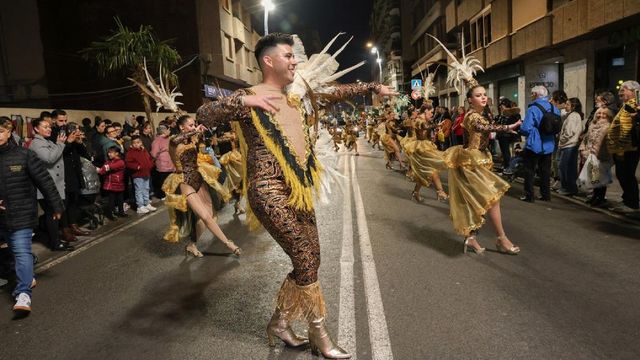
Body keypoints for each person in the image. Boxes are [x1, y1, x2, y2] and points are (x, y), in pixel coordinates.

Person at [196, 32, 396, 359]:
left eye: (294, 56)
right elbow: (203, 116)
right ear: (268, 60)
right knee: (303, 254)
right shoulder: (249, 97)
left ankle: (280, 322)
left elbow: (335, 91)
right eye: (288, 56)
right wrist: (241, 101)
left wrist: (373, 88)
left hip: (298, 188)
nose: (294, 61)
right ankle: (319, 332)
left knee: (311, 259)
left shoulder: (295, 95)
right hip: (268, 189)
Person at [443, 83, 522, 255]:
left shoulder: (481, 113)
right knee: (492, 199)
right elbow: (484, 128)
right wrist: (508, 127)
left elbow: (488, 125)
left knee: (476, 202)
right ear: (470, 100)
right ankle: (502, 238)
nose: (484, 97)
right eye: (478, 95)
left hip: (478, 160)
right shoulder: (472, 116)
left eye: (484, 94)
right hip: (471, 163)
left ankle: (471, 238)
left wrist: (507, 115)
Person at [0, 116, 64, 315]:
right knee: (11, 252)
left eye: (1, 131)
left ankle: (23, 294)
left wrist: (56, 206)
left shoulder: (24, 155)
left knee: (20, 251)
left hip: (21, 213)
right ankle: (25, 276)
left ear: (9, 132)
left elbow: (44, 181)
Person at [161, 115, 237, 258]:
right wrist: (195, 130)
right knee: (205, 216)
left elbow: (207, 142)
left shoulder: (192, 140)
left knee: (208, 217)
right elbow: (178, 139)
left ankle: (192, 244)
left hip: (199, 179)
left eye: (194, 124)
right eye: (190, 125)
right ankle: (228, 244)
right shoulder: (173, 142)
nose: (193, 126)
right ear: (181, 127)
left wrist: (201, 133)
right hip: (185, 182)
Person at [28, 117, 74, 251]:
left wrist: (65, 143)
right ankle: (54, 243)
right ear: (36, 129)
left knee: (55, 213)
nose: (48, 129)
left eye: (49, 127)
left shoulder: (47, 141)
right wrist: (60, 143)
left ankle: (55, 239)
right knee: (52, 214)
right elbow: (50, 158)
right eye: (45, 127)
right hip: (46, 186)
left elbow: (59, 153)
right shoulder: (36, 144)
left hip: (55, 185)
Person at [519, 85, 559, 202]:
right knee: (545, 171)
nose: (531, 96)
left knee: (529, 170)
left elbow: (526, 128)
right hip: (549, 144)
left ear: (536, 95)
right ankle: (546, 195)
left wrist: (528, 131)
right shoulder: (553, 107)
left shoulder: (533, 108)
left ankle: (529, 195)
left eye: (532, 94)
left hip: (534, 144)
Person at [606, 80, 640, 212]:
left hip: (627, 149)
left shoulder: (632, 106)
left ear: (633, 92)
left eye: (624, 88)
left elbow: (625, 129)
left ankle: (631, 204)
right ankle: (627, 199)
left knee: (626, 175)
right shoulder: (626, 105)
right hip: (624, 148)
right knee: (623, 174)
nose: (620, 91)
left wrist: (620, 150)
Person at [404, 103, 449, 202]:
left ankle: (416, 193)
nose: (432, 114)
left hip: (426, 146)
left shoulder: (425, 119)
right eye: (431, 112)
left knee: (425, 173)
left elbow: (426, 131)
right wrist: (437, 125)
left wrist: (432, 136)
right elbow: (424, 126)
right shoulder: (419, 120)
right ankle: (440, 192)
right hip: (421, 148)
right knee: (432, 169)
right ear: (426, 111)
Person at [579, 107, 614, 207]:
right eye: (599, 113)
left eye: (604, 114)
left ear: (608, 116)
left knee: (601, 179)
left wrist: (593, 153)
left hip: (602, 156)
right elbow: (585, 139)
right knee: (594, 178)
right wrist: (583, 150)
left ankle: (600, 198)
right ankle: (595, 196)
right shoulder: (592, 125)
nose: (601, 115)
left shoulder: (608, 126)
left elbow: (602, 144)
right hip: (590, 155)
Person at [557, 98, 584, 196]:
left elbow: (569, 132)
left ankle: (568, 188)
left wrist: (561, 138)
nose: (565, 106)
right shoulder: (574, 115)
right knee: (569, 168)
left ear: (573, 106)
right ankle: (570, 188)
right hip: (571, 144)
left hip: (569, 145)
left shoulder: (573, 116)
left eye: (568, 104)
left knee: (565, 168)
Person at [125, 135, 156, 215]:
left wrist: (150, 164)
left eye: (138, 142)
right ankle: (140, 206)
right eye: (134, 143)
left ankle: (146, 203)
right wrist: (138, 167)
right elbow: (128, 163)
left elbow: (148, 158)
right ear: (131, 144)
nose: (136, 144)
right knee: (139, 190)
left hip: (146, 172)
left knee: (146, 188)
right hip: (138, 174)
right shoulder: (130, 152)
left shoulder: (143, 150)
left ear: (141, 142)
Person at [97, 146, 127, 220]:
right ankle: (111, 213)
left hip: (118, 182)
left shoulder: (120, 162)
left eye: (111, 152)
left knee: (120, 199)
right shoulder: (108, 162)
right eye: (108, 152)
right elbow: (102, 171)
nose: (109, 154)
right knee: (111, 199)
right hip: (111, 183)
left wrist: (102, 169)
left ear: (117, 153)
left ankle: (121, 212)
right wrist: (100, 170)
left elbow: (110, 167)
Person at [150, 124, 175, 200]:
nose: (169, 131)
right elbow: (154, 153)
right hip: (162, 163)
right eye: (168, 129)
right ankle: (162, 194)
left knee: (170, 179)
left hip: (170, 162)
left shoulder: (168, 139)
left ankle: (169, 193)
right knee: (163, 180)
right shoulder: (156, 141)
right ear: (164, 131)